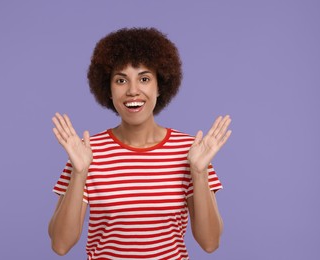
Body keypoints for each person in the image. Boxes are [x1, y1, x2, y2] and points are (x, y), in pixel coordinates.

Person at [48, 27, 232, 260]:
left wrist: (199, 171)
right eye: (121, 80)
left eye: (144, 79)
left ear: (160, 86)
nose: (133, 91)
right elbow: (60, 245)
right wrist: (79, 172)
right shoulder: (85, 153)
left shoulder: (192, 152)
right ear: (108, 89)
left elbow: (210, 243)